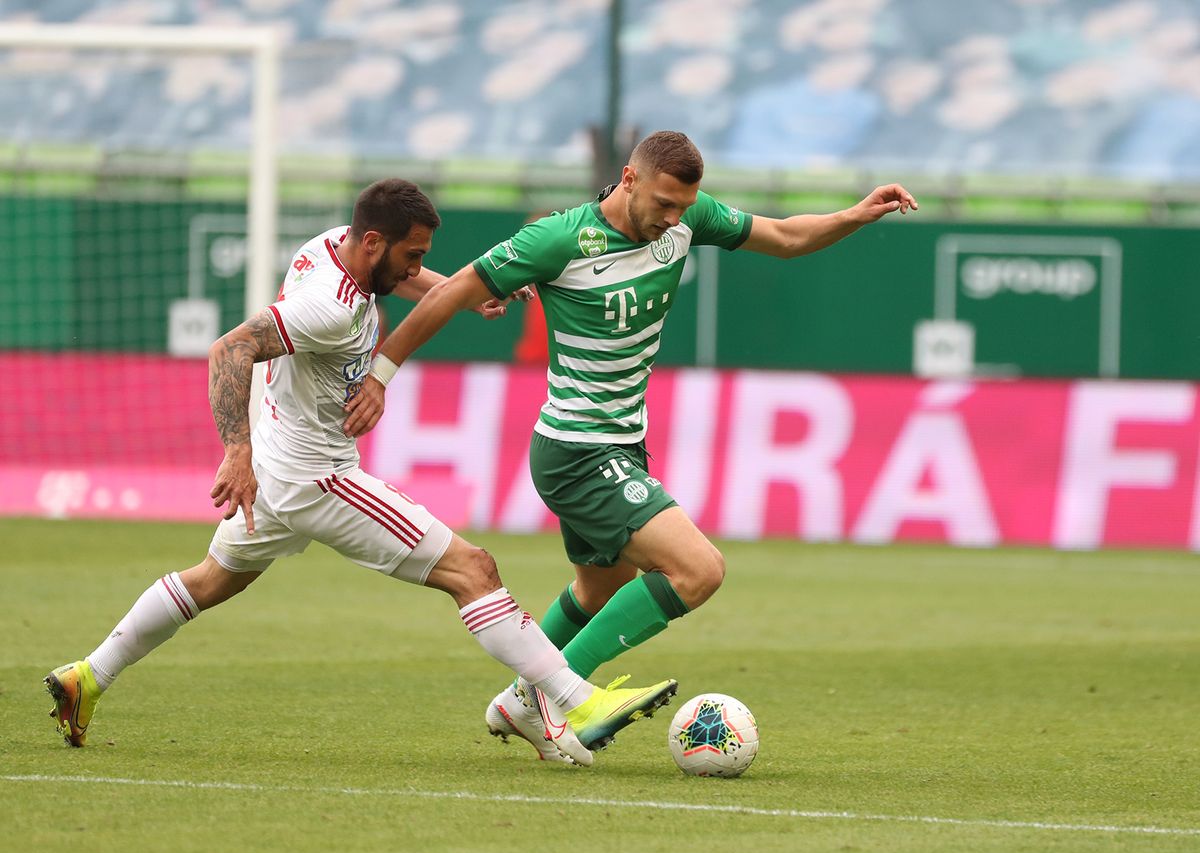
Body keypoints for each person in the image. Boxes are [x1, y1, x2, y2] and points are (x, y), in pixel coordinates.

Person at [43, 179, 677, 767]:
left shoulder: (332, 247)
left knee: (211, 581)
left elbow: (390, 279)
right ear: (373, 242)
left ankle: (88, 677)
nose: (414, 266)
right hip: (313, 475)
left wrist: (452, 291)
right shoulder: (329, 309)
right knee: (472, 569)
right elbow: (229, 348)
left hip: (280, 463)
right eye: (412, 255)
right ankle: (575, 699)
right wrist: (234, 451)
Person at [343, 133, 918, 763]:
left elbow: (782, 238)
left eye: (683, 207)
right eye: (665, 204)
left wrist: (855, 215)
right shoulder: (560, 239)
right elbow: (454, 291)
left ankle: (518, 698)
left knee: (602, 586)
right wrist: (380, 374)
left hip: (621, 444)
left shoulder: (687, 217)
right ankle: (562, 700)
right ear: (628, 179)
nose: (674, 219)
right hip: (578, 450)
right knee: (699, 571)